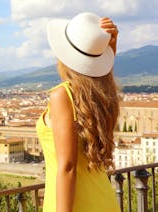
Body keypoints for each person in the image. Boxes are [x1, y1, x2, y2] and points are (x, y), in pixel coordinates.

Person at [38, 12, 121, 212]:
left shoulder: (62, 95)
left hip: (74, 204)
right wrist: (107, 49)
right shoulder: (102, 96)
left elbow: (67, 167)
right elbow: (100, 77)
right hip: (104, 200)